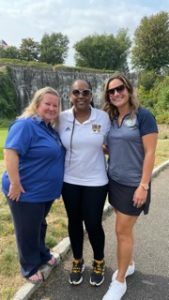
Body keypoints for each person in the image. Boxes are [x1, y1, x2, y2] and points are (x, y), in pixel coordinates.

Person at [102, 73, 158, 300]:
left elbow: (150, 152)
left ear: (128, 89)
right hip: (114, 181)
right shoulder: (111, 117)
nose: (116, 93)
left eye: (120, 88)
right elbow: (116, 146)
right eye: (111, 91)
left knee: (121, 232)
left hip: (134, 184)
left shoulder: (144, 116)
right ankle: (130, 264)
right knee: (124, 230)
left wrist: (143, 185)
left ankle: (120, 280)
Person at [1, 87, 65, 284]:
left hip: (43, 192)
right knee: (27, 229)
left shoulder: (48, 127)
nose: (52, 108)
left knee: (39, 224)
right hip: (25, 191)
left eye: (55, 105)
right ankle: (29, 267)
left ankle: (42, 253)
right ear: (37, 104)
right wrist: (15, 183)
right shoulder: (25, 125)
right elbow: (10, 152)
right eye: (47, 104)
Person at [58, 79, 111, 286]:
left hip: (96, 181)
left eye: (85, 92)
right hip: (69, 180)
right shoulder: (61, 118)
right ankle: (78, 260)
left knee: (93, 223)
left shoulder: (103, 117)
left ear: (91, 95)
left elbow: (115, 142)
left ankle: (99, 260)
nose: (80, 96)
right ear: (70, 95)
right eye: (76, 92)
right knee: (74, 222)